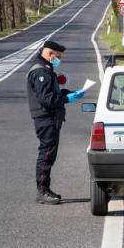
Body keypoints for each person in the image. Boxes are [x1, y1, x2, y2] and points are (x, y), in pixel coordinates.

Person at [27, 40, 85, 204]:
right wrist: (66, 98)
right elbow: (46, 99)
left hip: (49, 118)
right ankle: (42, 191)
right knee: (46, 155)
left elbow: (52, 92)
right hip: (46, 118)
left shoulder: (45, 68)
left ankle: (45, 189)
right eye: (58, 56)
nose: (58, 59)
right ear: (50, 54)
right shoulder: (41, 71)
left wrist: (69, 93)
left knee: (49, 155)